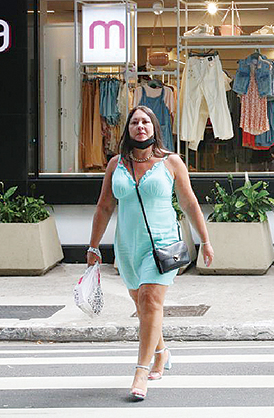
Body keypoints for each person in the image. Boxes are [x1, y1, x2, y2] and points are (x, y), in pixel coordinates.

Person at [86, 105, 214, 401]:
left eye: (145, 122)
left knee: (150, 300)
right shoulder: (116, 164)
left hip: (163, 243)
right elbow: (105, 206)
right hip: (128, 245)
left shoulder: (171, 161)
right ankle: (161, 352)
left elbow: (190, 203)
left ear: (155, 127)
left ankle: (140, 371)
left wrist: (205, 240)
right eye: (134, 122)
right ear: (128, 129)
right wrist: (93, 246)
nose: (140, 126)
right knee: (143, 306)